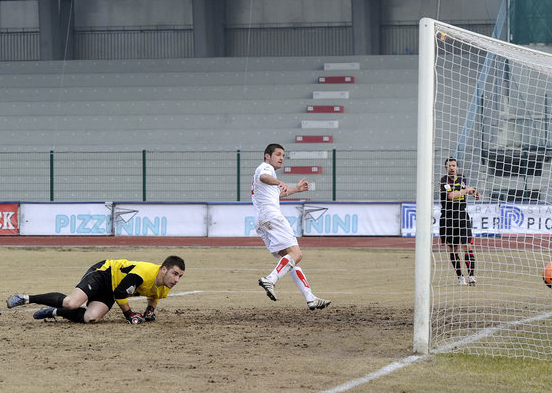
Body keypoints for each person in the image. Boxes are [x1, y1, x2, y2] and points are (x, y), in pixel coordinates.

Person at [253, 143, 331, 310]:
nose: (282, 158)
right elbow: (264, 178)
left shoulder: (267, 176)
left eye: (283, 155)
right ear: (268, 156)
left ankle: (310, 298)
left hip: (262, 220)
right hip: (272, 216)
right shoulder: (265, 168)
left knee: (291, 260)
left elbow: (276, 193)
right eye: (278, 154)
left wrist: (295, 189)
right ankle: (270, 279)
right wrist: (278, 181)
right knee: (296, 253)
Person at [6, 255, 185, 324]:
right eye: (175, 274)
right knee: (72, 303)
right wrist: (129, 315)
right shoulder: (144, 273)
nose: (176, 280)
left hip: (112, 288)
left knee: (90, 318)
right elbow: (120, 294)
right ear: (163, 269)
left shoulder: (165, 286)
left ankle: (53, 312)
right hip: (104, 274)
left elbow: (155, 295)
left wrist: (150, 310)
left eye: (180, 276)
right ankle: (26, 298)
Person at [439, 157, 481, 286]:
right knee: (453, 249)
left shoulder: (462, 178)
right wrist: (466, 190)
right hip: (448, 217)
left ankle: (472, 276)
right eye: (449, 166)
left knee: (468, 246)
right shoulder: (443, 180)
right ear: (446, 168)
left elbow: (466, 190)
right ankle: (460, 277)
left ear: (457, 167)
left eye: (453, 165)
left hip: (462, 215)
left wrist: (474, 192)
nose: (451, 168)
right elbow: (451, 196)